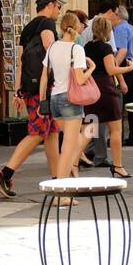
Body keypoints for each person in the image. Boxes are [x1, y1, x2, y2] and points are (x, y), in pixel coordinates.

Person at [0, 0, 64, 198]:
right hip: (45, 88)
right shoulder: (47, 24)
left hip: (31, 88)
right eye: (59, 7)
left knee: (51, 133)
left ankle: (57, 181)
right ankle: (5, 173)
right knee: (37, 132)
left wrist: (19, 91)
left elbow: (20, 62)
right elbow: (52, 50)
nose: (59, 11)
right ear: (50, 5)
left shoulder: (27, 28)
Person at [38, 12, 96, 201]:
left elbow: (44, 76)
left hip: (54, 99)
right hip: (71, 100)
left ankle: (65, 186)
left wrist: (41, 102)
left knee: (73, 142)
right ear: (76, 27)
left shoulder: (53, 46)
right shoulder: (76, 49)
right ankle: (60, 194)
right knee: (68, 148)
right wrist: (92, 69)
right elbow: (79, 79)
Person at [83, 13, 133, 179]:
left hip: (91, 89)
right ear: (107, 30)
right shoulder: (105, 48)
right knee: (115, 130)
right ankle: (118, 166)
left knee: (89, 129)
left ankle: (73, 161)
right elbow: (111, 70)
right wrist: (129, 68)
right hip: (106, 89)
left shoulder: (87, 47)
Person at [114, 4, 133, 145]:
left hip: (127, 64)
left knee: (119, 102)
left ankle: (118, 137)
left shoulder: (119, 29)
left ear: (117, 15)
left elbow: (122, 50)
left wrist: (113, 67)